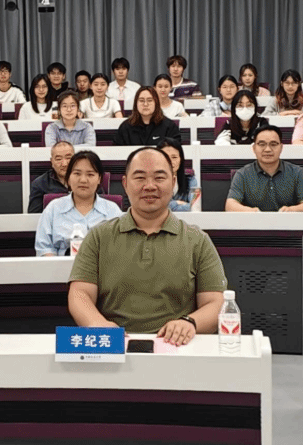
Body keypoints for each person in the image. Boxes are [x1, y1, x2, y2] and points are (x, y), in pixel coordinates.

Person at [67, 146, 226, 345]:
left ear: (173, 182)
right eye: (140, 177)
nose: (150, 186)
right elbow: (79, 294)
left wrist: (190, 323)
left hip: (177, 347)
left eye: (159, 178)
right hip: (114, 346)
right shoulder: (98, 237)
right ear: (125, 184)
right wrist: (97, 324)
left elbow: (215, 302)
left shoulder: (198, 240)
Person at [35, 150, 122, 255]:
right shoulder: (53, 208)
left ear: (99, 179)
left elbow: (121, 248)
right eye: (77, 173)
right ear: (68, 178)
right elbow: (44, 249)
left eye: (90, 174)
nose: (83, 180)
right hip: (62, 265)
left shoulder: (112, 210)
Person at [225, 127, 303, 212]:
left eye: (273, 144)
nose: (268, 149)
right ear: (254, 148)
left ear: (281, 148)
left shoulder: (296, 172)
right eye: (262, 144)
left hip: (288, 222)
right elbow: (230, 205)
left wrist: (291, 210)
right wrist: (252, 212)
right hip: (253, 223)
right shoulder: (242, 174)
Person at [114, 86, 181, 148]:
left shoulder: (170, 126)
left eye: (149, 100)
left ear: (156, 103)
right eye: (141, 100)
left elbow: (175, 152)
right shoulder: (125, 127)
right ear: (136, 104)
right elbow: (117, 152)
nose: (145, 104)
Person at [27, 139, 78, 208]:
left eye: (68, 158)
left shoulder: (86, 179)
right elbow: (35, 213)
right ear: (52, 162)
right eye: (58, 159)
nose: (64, 164)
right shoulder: (40, 184)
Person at [163, 140, 200, 211]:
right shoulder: (151, 181)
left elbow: (195, 207)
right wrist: (178, 203)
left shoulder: (190, 179)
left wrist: (170, 205)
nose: (170, 161)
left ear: (181, 159)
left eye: (174, 157)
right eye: (166, 157)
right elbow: (155, 207)